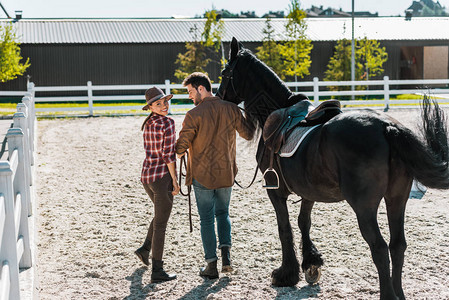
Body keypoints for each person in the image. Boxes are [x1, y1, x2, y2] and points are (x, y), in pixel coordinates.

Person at [176, 72, 255, 279]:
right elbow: (248, 133)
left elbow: (181, 147)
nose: (190, 97)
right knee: (223, 213)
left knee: (206, 219)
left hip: (202, 175)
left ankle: (211, 266)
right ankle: (227, 259)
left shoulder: (194, 114)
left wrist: (177, 146)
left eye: (191, 92)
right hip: (226, 172)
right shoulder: (231, 109)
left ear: (201, 88)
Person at [134, 86, 180, 283]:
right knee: (161, 223)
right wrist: (175, 181)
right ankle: (157, 271)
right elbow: (169, 156)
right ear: (151, 106)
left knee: (159, 216)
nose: (164, 106)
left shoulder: (148, 123)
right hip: (162, 178)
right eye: (159, 104)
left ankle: (145, 249)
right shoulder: (168, 123)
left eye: (165, 102)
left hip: (147, 177)